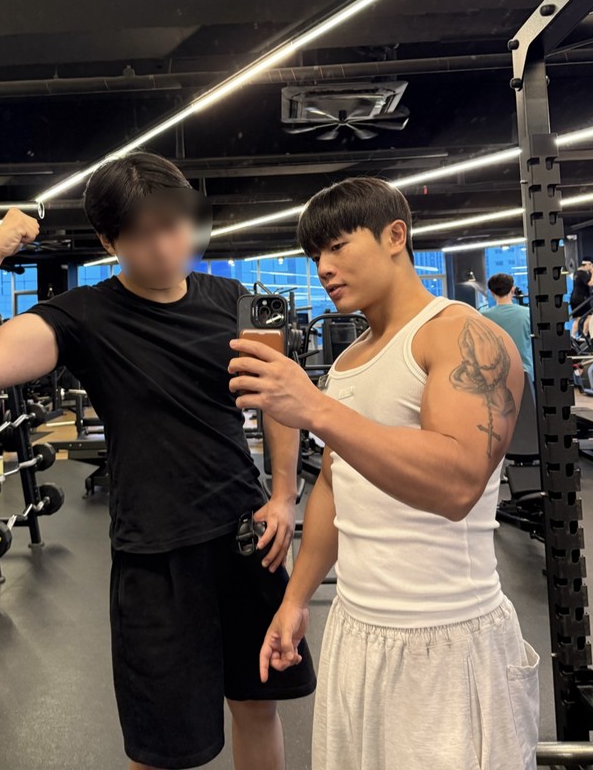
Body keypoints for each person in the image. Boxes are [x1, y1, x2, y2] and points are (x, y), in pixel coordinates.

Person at [0, 152, 315, 770]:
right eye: (141, 235)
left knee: (257, 706)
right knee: (161, 748)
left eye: (173, 225)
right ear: (110, 242)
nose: (164, 247)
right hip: (155, 554)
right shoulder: (83, 316)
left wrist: (284, 496)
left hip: (246, 539)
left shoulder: (232, 299)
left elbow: (280, 400)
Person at [228, 176, 539, 770]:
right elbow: (335, 485)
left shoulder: (464, 335)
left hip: (448, 637)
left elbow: (457, 484)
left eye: (337, 246)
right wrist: (295, 600)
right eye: (314, 255)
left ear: (395, 236)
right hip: (357, 631)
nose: (323, 267)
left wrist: (316, 409)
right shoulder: (349, 360)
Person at [481, 272, 534, 376]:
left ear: (491, 293)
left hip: (495, 376)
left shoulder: (483, 317)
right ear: (512, 289)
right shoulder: (528, 313)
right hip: (524, 374)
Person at [570, 257, 593, 339]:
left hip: (574, 298)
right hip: (582, 298)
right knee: (590, 316)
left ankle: (573, 335)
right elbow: (591, 283)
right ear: (588, 264)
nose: (592, 267)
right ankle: (584, 335)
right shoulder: (583, 274)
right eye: (591, 265)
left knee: (578, 319)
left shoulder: (576, 272)